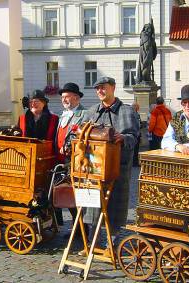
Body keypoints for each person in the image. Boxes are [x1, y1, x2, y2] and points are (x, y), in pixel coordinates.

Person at [82, 77, 139, 252]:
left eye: (103, 88)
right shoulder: (92, 111)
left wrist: (123, 138)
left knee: (115, 206)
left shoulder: (127, 111)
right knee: (93, 206)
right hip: (94, 168)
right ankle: (93, 243)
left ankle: (111, 244)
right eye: (97, 88)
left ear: (113, 88)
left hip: (118, 169)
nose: (100, 91)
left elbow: (134, 137)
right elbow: (81, 134)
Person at [55, 82, 86, 227]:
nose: (64, 100)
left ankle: (82, 228)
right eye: (62, 97)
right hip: (61, 161)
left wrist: (69, 147)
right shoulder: (63, 115)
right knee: (67, 195)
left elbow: (83, 136)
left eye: (67, 97)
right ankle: (76, 226)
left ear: (76, 98)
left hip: (75, 160)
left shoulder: (84, 114)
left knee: (77, 195)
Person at [132, 102, 141, 166]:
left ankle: (134, 162)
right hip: (135, 134)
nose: (138, 108)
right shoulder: (135, 114)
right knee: (135, 149)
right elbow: (137, 124)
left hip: (136, 133)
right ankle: (134, 162)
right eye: (138, 107)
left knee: (135, 149)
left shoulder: (136, 114)